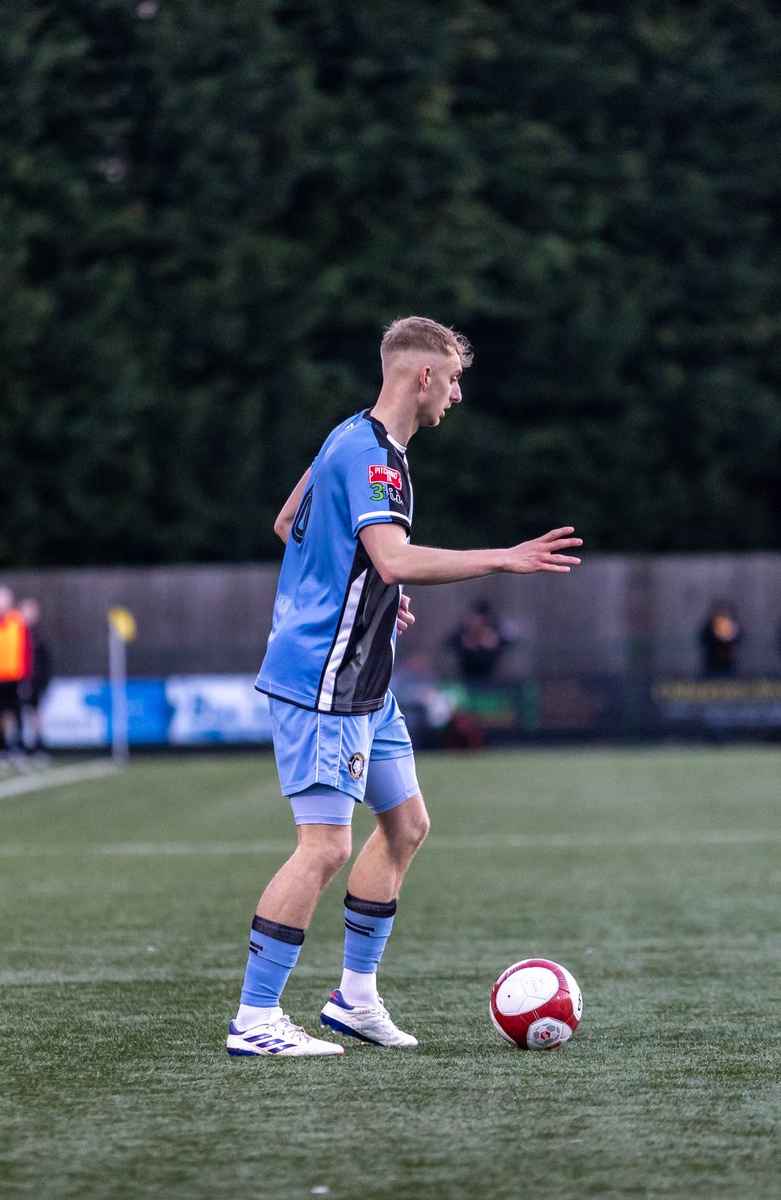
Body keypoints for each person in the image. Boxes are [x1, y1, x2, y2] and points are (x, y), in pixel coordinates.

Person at [227, 315, 582, 1058]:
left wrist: (374, 596)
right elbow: (390, 557)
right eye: (451, 380)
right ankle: (256, 1018)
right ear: (423, 376)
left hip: (367, 673)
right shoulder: (374, 457)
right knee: (324, 847)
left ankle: (354, 999)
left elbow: (290, 521)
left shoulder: (349, 436)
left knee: (407, 825)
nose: (456, 394)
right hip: (325, 678)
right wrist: (504, 557)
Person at [0, 585, 31, 770]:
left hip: (15, 675)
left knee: (16, 713)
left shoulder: (17, 621)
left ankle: (18, 748)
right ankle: (0, 749)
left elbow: (25, 649)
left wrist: (26, 673)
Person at [18, 598, 53, 761]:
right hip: (18, 681)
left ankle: (39, 746)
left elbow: (46, 662)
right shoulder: (15, 633)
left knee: (35, 713)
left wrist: (44, 683)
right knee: (15, 715)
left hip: (36, 682)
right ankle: (18, 747)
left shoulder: (40, 635)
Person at [448, 598, 507, 682]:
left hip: (490, 678)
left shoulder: (493, 634)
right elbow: (451, 642)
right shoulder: (462, 633)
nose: (476, 623)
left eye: (480, 620)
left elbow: (502, 644)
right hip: (465, 677)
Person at [699, 601, 741, 677]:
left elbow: (738, 640)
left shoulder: (733, 627)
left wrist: (729, 636)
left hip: (728, 665)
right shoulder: (708, 627)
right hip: (712, 664)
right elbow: (704, 639)